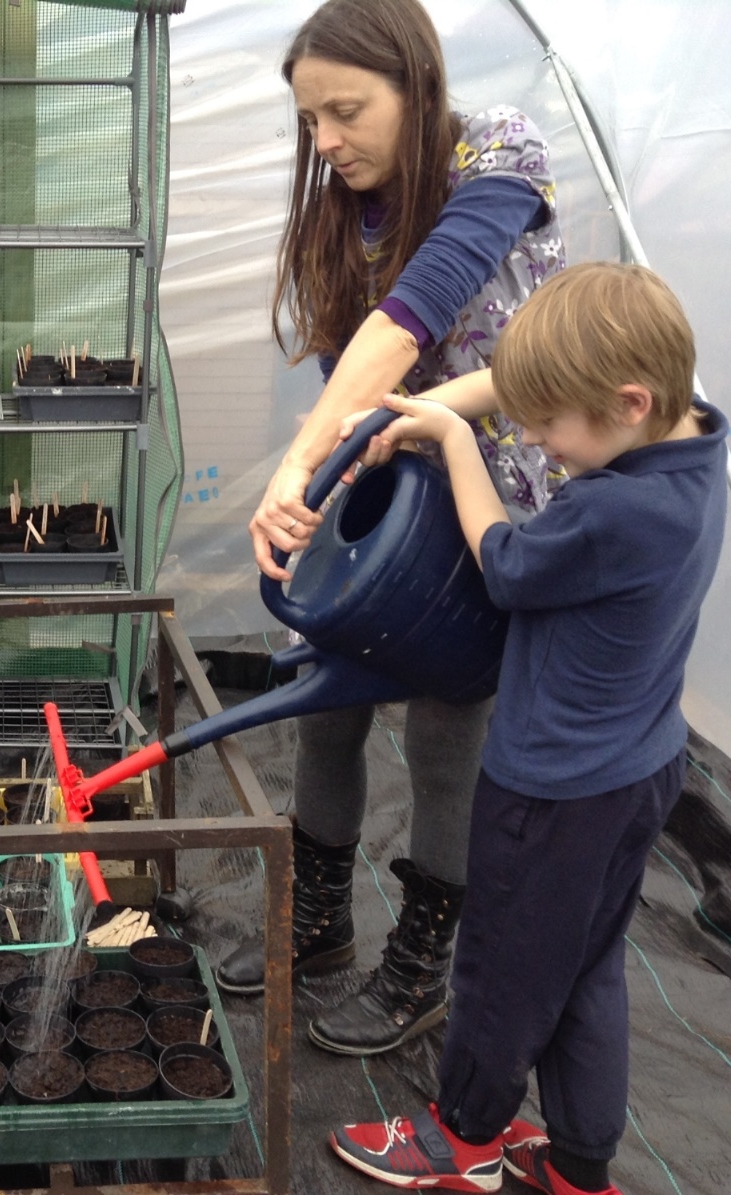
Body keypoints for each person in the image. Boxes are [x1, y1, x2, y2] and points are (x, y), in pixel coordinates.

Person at [328, 262, 726, 1194]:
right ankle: (580, 1163)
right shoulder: (696, 446)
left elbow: (504, 565)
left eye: (548, 427)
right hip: (641, 770)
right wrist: (445, 408)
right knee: (585, 966)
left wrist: (455, 441)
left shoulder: (615, 510)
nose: (538, 443)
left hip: (551, 790)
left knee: (501, 970)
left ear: (630, 402)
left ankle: (461, 1137)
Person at [219, 0, 567, 1060]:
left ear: (415, 85)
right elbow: (349, 368)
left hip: (495, 498)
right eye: (310, 121)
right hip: (390, 499)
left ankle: (420, 966)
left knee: (445, 731)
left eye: (346, 111)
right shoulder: (344, 210)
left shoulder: (496, 153)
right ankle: (318, 922)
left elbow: (409, 320)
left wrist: (299, 465)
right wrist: (333, 474)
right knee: (325, 704)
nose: (326, 140)